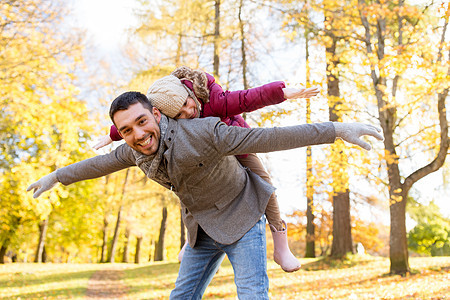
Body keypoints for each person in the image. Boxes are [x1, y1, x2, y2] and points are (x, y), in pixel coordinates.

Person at [27, 90, 383, 299]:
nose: (138, 134)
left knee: (253, 294)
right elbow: (94, 166)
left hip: (243, 219)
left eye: (141, 121)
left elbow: (271, 137)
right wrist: (56, 177)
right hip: (201, 231)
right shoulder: (131, 151)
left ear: (155, 113)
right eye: (126, 130)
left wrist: (337, 129)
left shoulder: (204, 133)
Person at [94, 66, 320, 272]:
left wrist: (282, 93)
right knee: (186, 187)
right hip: (204, 155)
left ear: (188, 94)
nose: (187, 114)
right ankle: (190, 240)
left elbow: (248, 98)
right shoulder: (166, 114)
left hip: (234, 146)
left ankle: (281, 246)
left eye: (185, 105)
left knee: (265, 184)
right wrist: (113, 135)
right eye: (178, 115)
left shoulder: (215, 100)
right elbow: (140, 120)